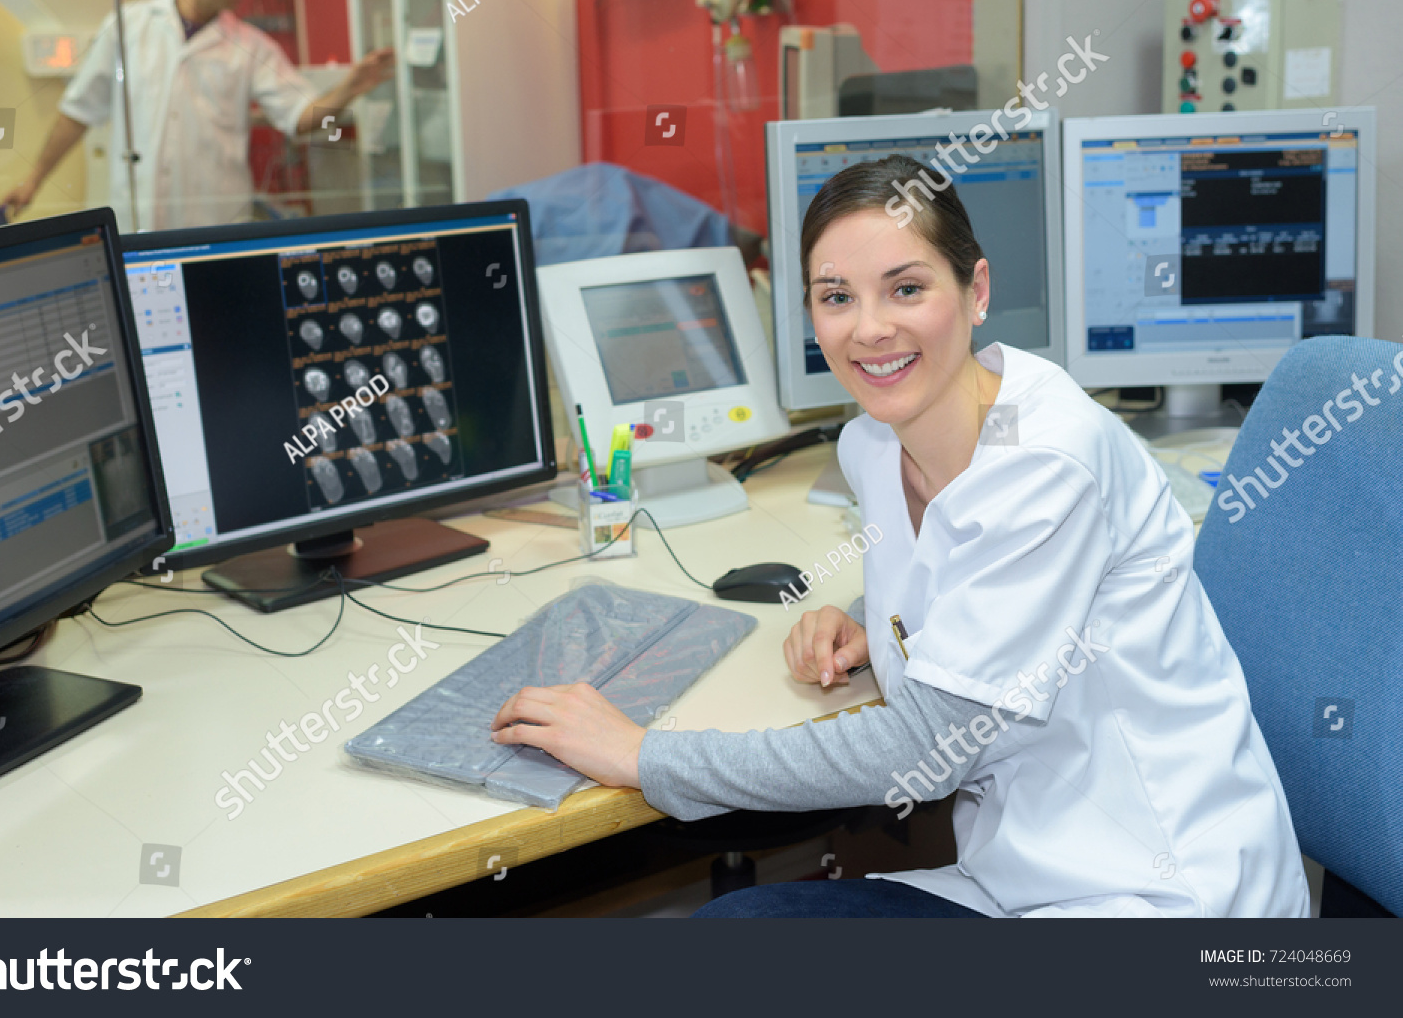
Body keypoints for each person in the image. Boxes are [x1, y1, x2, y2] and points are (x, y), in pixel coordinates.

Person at [487, 153, 1311, 918]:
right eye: (837, 296)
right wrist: (871, 618)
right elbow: (964, 578)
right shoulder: (876, 443)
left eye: (906, 288)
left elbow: (925, 747)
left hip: (1162, 897)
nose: (870, 328)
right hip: (1026, 871)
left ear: (977, 289)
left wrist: (646, 756)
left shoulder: (1050, 462)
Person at [0, 0, 394, 230]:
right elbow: (78, 113)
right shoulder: (128, 27)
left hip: (216, 225)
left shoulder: (251, 46)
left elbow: (301, 119)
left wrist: (352, 87)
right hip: (139, 224)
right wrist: (34, 179)